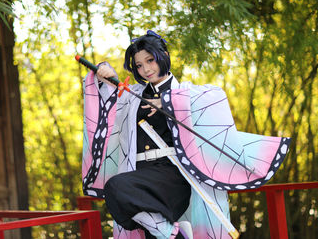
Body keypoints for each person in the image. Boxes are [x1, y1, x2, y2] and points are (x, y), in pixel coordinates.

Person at [81, 30, 290, 239]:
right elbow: (107, 105)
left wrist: (168, 101)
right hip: (139, 172)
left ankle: (172, 235)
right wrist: (103, 74)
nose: (145, 69)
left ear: (164, 55)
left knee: (117, 186)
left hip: (174, 174)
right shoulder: (132, 95)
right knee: (129, 208)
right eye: (139, 65)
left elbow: (215, 98)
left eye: (150, 60)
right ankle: (173, 234)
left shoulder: (188, 92)